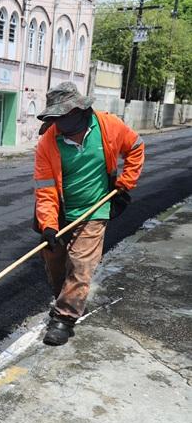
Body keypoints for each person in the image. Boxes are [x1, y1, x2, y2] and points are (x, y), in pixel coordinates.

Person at [33, 82, 144, 346]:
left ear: (80, 111)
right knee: (54, 261)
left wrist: (124, 184)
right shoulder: (48, 143)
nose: (58, 123)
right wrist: (48, 226)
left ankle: (64, 318)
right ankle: (65, 297)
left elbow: (136, 147)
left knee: (81, 263)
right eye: (54, 118)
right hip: (61, 212)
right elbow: (45, 189)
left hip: (95, 209)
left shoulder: (108, 126)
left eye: (62, 116)